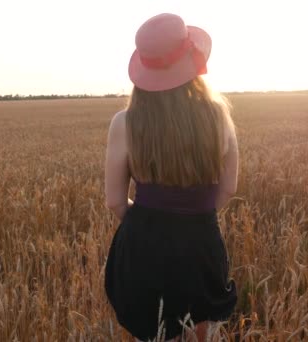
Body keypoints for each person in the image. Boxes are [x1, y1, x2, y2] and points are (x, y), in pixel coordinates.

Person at [104, 13, 239, 342]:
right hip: (201, 244)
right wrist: (191, 218)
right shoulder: (219, 116)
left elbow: (115, 201)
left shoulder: (124, 123)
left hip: (142, 248)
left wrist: (150, 221)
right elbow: (227, 190)